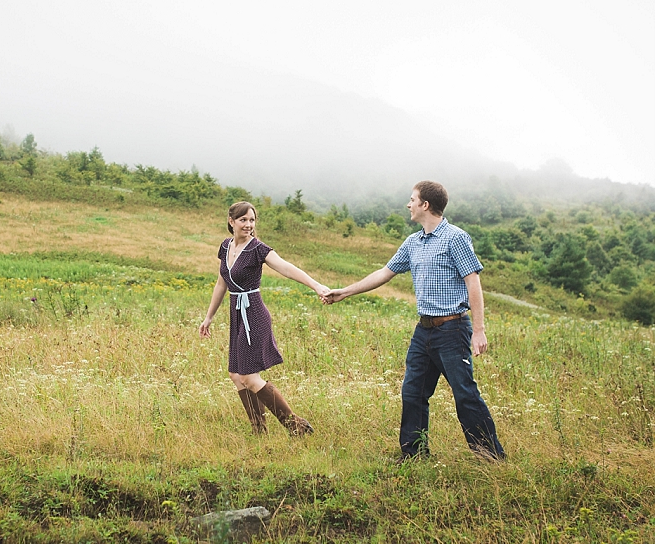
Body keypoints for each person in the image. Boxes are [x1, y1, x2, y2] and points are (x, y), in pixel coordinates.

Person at [323, 181, 506, 461]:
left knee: (465, 394)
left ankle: (491, 456)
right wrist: (344, 292)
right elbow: (384, 273)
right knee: (412, 392)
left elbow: (473, 282)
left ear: (425, 205)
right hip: (424, 331)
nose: (408, 205)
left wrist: (478, 330)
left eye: (412, 200)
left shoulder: (456, 238)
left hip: (453, 328)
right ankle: (414, 454)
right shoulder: (413, 242)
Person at [199, 201, 330, 436]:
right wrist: (209, 317)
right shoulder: (226, 247)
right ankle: (259, 430)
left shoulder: (258, 249)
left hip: (254, 314)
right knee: (236, 375)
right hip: (236, 313)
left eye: (252, 220)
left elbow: (286, 267)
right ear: (231, 221)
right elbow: (221, 283)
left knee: (249, 376)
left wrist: (316, 285)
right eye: (243, 220)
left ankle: (295, 425)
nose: (249, 225)